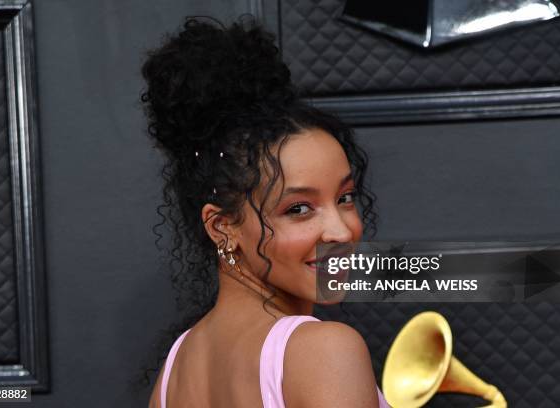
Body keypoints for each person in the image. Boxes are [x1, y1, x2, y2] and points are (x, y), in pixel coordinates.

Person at [140, 15, 390, 408]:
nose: (341, 232)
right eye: (300, 208)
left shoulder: (174, 373)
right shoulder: (323, 350)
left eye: (344, 197)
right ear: (222, 227)